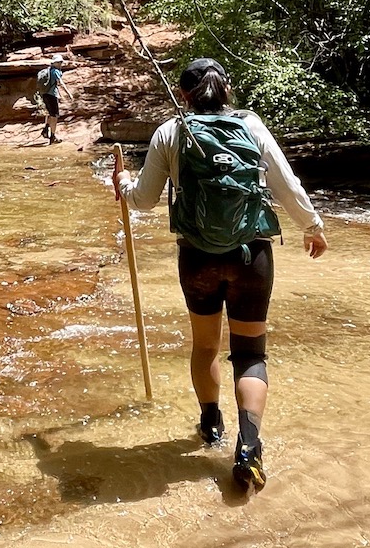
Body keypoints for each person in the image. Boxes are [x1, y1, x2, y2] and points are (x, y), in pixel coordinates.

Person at [114, 57, 326, 490]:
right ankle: (249, 449)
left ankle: (210, 425)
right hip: (252, 258)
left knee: (206, 346)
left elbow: (145, 199)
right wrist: (313, 227)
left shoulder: (171, 131)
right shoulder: (251, 125)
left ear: (185, 93)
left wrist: (122, 185)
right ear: (226, 88)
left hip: (197, 258)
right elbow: (286, 184)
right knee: (250, 354)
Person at [34, 53, 68, 144]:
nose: (61, 63)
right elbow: (60, 83)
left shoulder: (49, 70)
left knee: (50, 113)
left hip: (45, 94)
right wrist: (68, 93)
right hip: (51, 95)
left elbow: (54, 85)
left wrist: (59, 95)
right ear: (55, 63)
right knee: (54, 116)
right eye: (59, 62)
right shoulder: (55, 71)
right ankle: (52, 136)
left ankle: (45, 129)